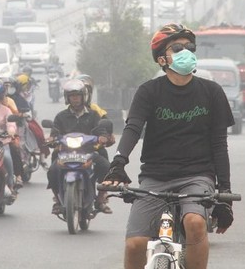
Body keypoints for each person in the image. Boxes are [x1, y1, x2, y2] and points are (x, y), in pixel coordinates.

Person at [101, 23, 235, 269]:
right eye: (178, 47)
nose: (186, 51)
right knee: (135, 244)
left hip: (197, 177)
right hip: (155, 178)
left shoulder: (212, 92)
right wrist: (118, 164)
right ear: (162, 58)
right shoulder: (149, 91)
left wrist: (224, 194)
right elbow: (133, 129)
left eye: (189, 47)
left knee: (195, 223)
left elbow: (219, 144)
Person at [47, 79, 113, 215]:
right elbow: (55, 132)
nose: (75, 99)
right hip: (65, 153)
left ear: (83, 97)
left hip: (89, 152)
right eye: (72, 96)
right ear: (67, 98)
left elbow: (101, 130)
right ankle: (58, 201)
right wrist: (52, 139)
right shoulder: (61, 117)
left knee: (106, 167)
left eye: (77, 96)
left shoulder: (93, 115)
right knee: (52, 170)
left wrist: (103, 136)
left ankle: (101, 199)